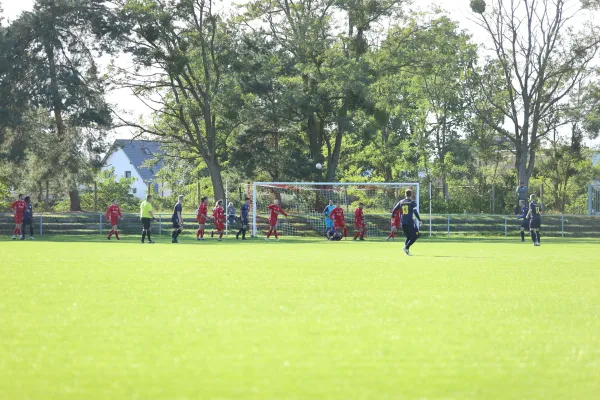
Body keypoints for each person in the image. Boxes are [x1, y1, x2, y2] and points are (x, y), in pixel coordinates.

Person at [391, 189, 422, 256]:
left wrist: (392, 220)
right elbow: (415, 212)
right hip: (409, 222)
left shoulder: (401, 202)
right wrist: (419, 220)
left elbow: (393, 211)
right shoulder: (412, 202)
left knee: (408, 236)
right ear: (411, 194)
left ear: (405, 194)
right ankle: (406, 247)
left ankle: (407, 250)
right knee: (416, 235)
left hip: (403, 222)